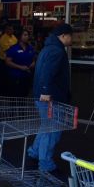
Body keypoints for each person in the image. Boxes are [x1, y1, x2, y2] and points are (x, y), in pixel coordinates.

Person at [27, 23, 73, 173]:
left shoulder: (48, 48)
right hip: (50, 98)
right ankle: (45, 163)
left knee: (46, 127)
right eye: (71, 36)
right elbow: (47, 73)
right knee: (52, 131)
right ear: (63, 36)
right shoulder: (57, 51)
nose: (72, 39)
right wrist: (46, 91)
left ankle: (34, 152)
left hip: (44, 97)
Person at [5, 28, 36, 97]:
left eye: (28, 35)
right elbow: (7, 62)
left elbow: (33, 59)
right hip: (16, 78)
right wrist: (20, 67)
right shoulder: (14, 48)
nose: (27, 37)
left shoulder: (30, 48)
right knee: (15, 98)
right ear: (20, 36)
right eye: (25, 35)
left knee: (24, 97)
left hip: (26, 77)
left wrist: (33, 63)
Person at [0, 23, 17, 95]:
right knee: (3, 78)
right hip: (3, 61)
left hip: (11, 61)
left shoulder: (14, 37)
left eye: (12, 29)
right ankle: (2, 93)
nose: (12, 30)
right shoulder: (3, 38)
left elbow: (16, 46)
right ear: (6, 30)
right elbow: (8, 50)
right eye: (10, 29)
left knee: (9, 77)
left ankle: (8, 92)